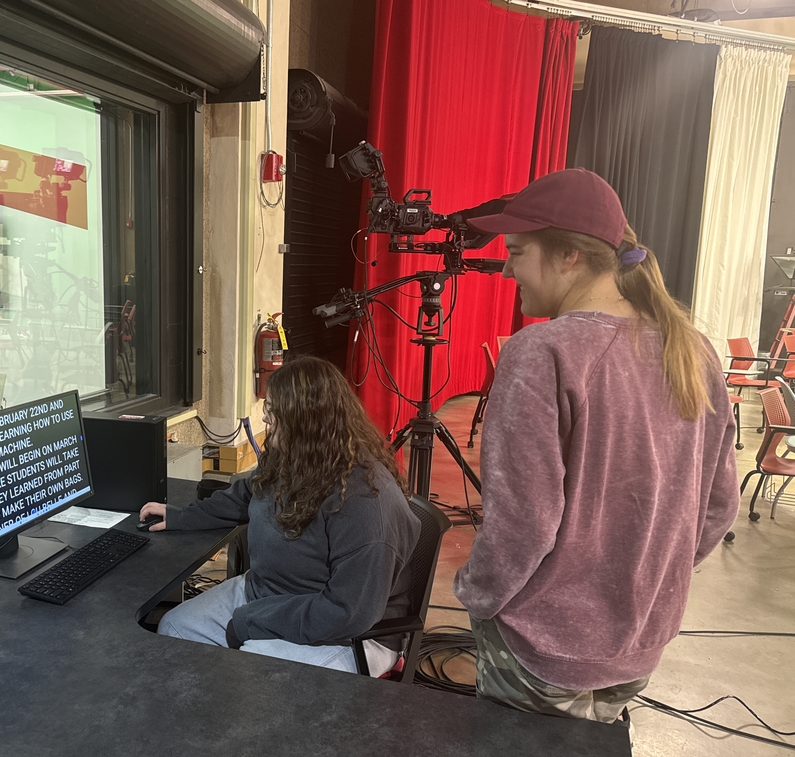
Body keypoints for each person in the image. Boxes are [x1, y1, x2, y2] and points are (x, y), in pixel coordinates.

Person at [452, 168, 739, 723]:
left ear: (568, 257)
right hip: (640, 641)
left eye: (516, 251)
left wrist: (478, 596)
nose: (506, 268)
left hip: (543, 643)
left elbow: (524, 522)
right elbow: (717, 508)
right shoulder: (695, 351)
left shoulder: (543, 351)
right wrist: (651, 577)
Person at [140, 356, 421, 676]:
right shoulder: (291, 456)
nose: (265, 419)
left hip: (347, 634)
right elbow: (246, 494)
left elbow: (347, 612)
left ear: (306, 422)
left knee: (251, 672)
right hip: (268, 593)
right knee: (176, 628)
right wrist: (182, 517)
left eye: (273, 412)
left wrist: (253, 620)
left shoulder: (365, 502)